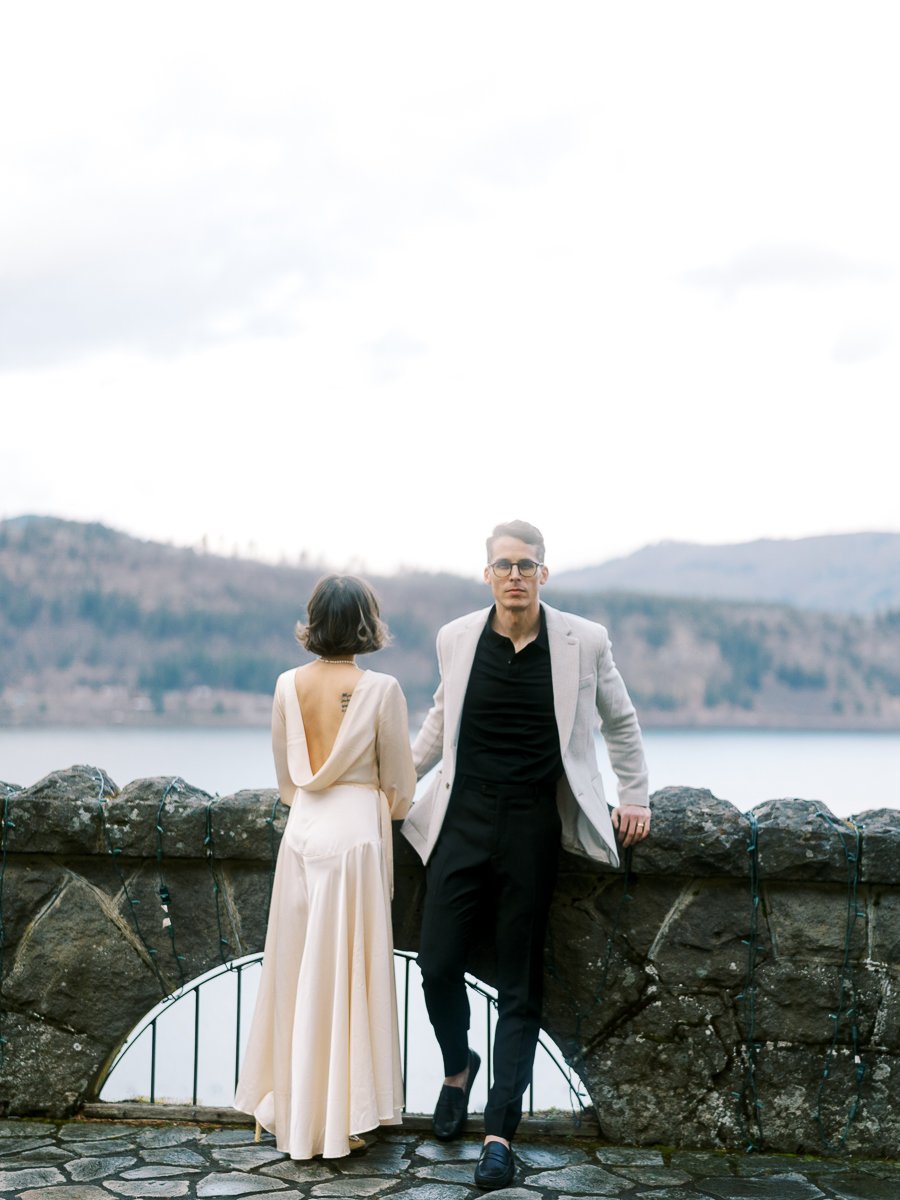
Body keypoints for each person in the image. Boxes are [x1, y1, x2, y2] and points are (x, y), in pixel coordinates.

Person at [402, 519, 650, 1191]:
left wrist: (636, 795)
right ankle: (459, 1065)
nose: (516, 574)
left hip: (534, 824)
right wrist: (389, 784)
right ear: (488, 574)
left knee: (521, 983)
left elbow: (619, 721)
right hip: (463, 821)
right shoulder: (457, 637)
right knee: (436, 963)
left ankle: (497, 1136)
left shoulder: (582, 641)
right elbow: (437, 725)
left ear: (544, 573)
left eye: (528, 565)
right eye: (504, 564)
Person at [235, 575, 416, 1160]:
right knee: (346, 977)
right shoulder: (382, 689)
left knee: (298, 972)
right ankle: (342, 1118)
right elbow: (401, 788)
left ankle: (289, 1109)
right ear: (367, 624)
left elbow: (288, 783)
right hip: (357, 838)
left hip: (303, 835)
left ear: (312, 622)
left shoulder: (287, 686)